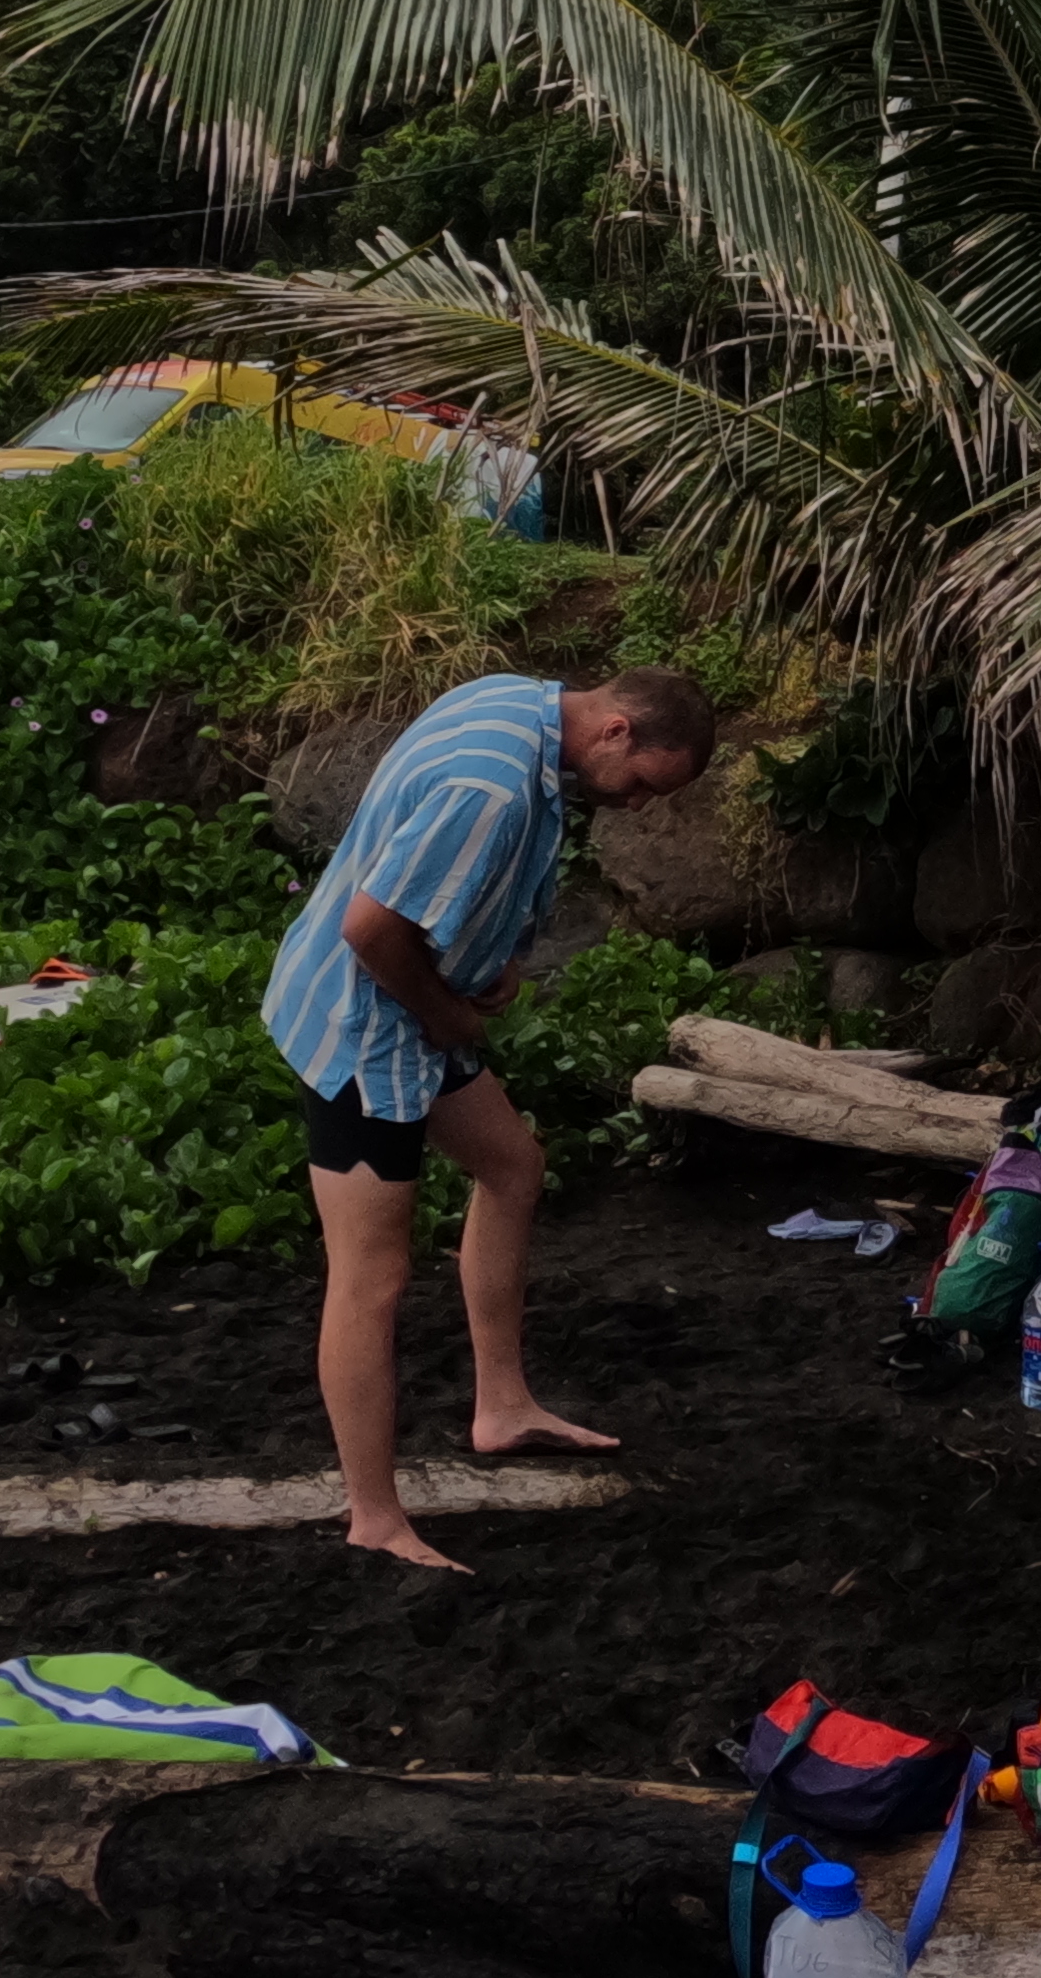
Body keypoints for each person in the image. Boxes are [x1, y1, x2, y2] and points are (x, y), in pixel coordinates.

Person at [262, 663, 717, 1569]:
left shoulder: (524, 704)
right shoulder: (493, 788)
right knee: (372, 1277)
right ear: (617, 731)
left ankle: (502, 1407)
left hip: (411, 1008)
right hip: (364, 1025)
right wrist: (452, 1012)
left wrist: (489, 960)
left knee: (513, 1166)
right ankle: (374, 1516)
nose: (634, 808)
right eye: (642, 787)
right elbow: (372, 929)